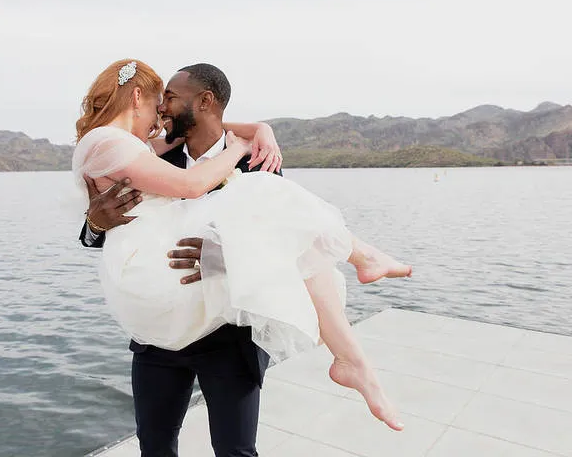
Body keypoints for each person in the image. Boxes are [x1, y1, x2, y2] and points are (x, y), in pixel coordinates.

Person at [75, 60, 410, 455]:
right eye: (158, 98)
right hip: (161, 333)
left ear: (204, 102)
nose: (162, 108)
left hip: (229, 331)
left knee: (236, 450)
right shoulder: (152, 156)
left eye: (170, 98)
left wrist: (221, 254)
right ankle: (361, 281)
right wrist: (94, 224)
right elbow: (109, 231)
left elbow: (283, 247)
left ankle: (356, 335)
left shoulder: (258, 163)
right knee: (155, 444)